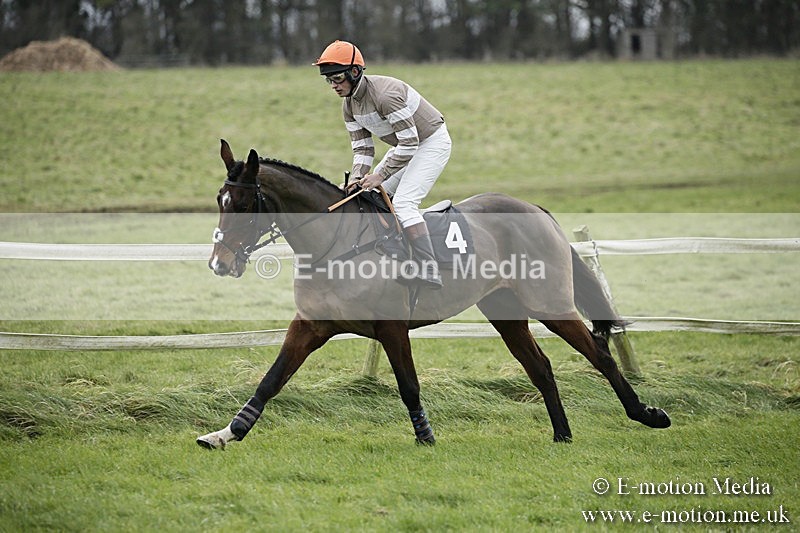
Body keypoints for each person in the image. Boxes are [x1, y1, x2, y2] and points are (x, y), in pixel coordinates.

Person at [313, 40, 451, 290]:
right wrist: (357, 177)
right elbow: (363, 148)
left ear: (355, 72)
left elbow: (410, 143)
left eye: (337, 78)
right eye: (329, 80)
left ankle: (429, 268)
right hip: (405, 146)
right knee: (369, 194)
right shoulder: (348, 105)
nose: (333, 85)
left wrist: (380, 175)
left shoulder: (385, 96)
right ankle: (394, 255)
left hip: (430, 143)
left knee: (404, 204)